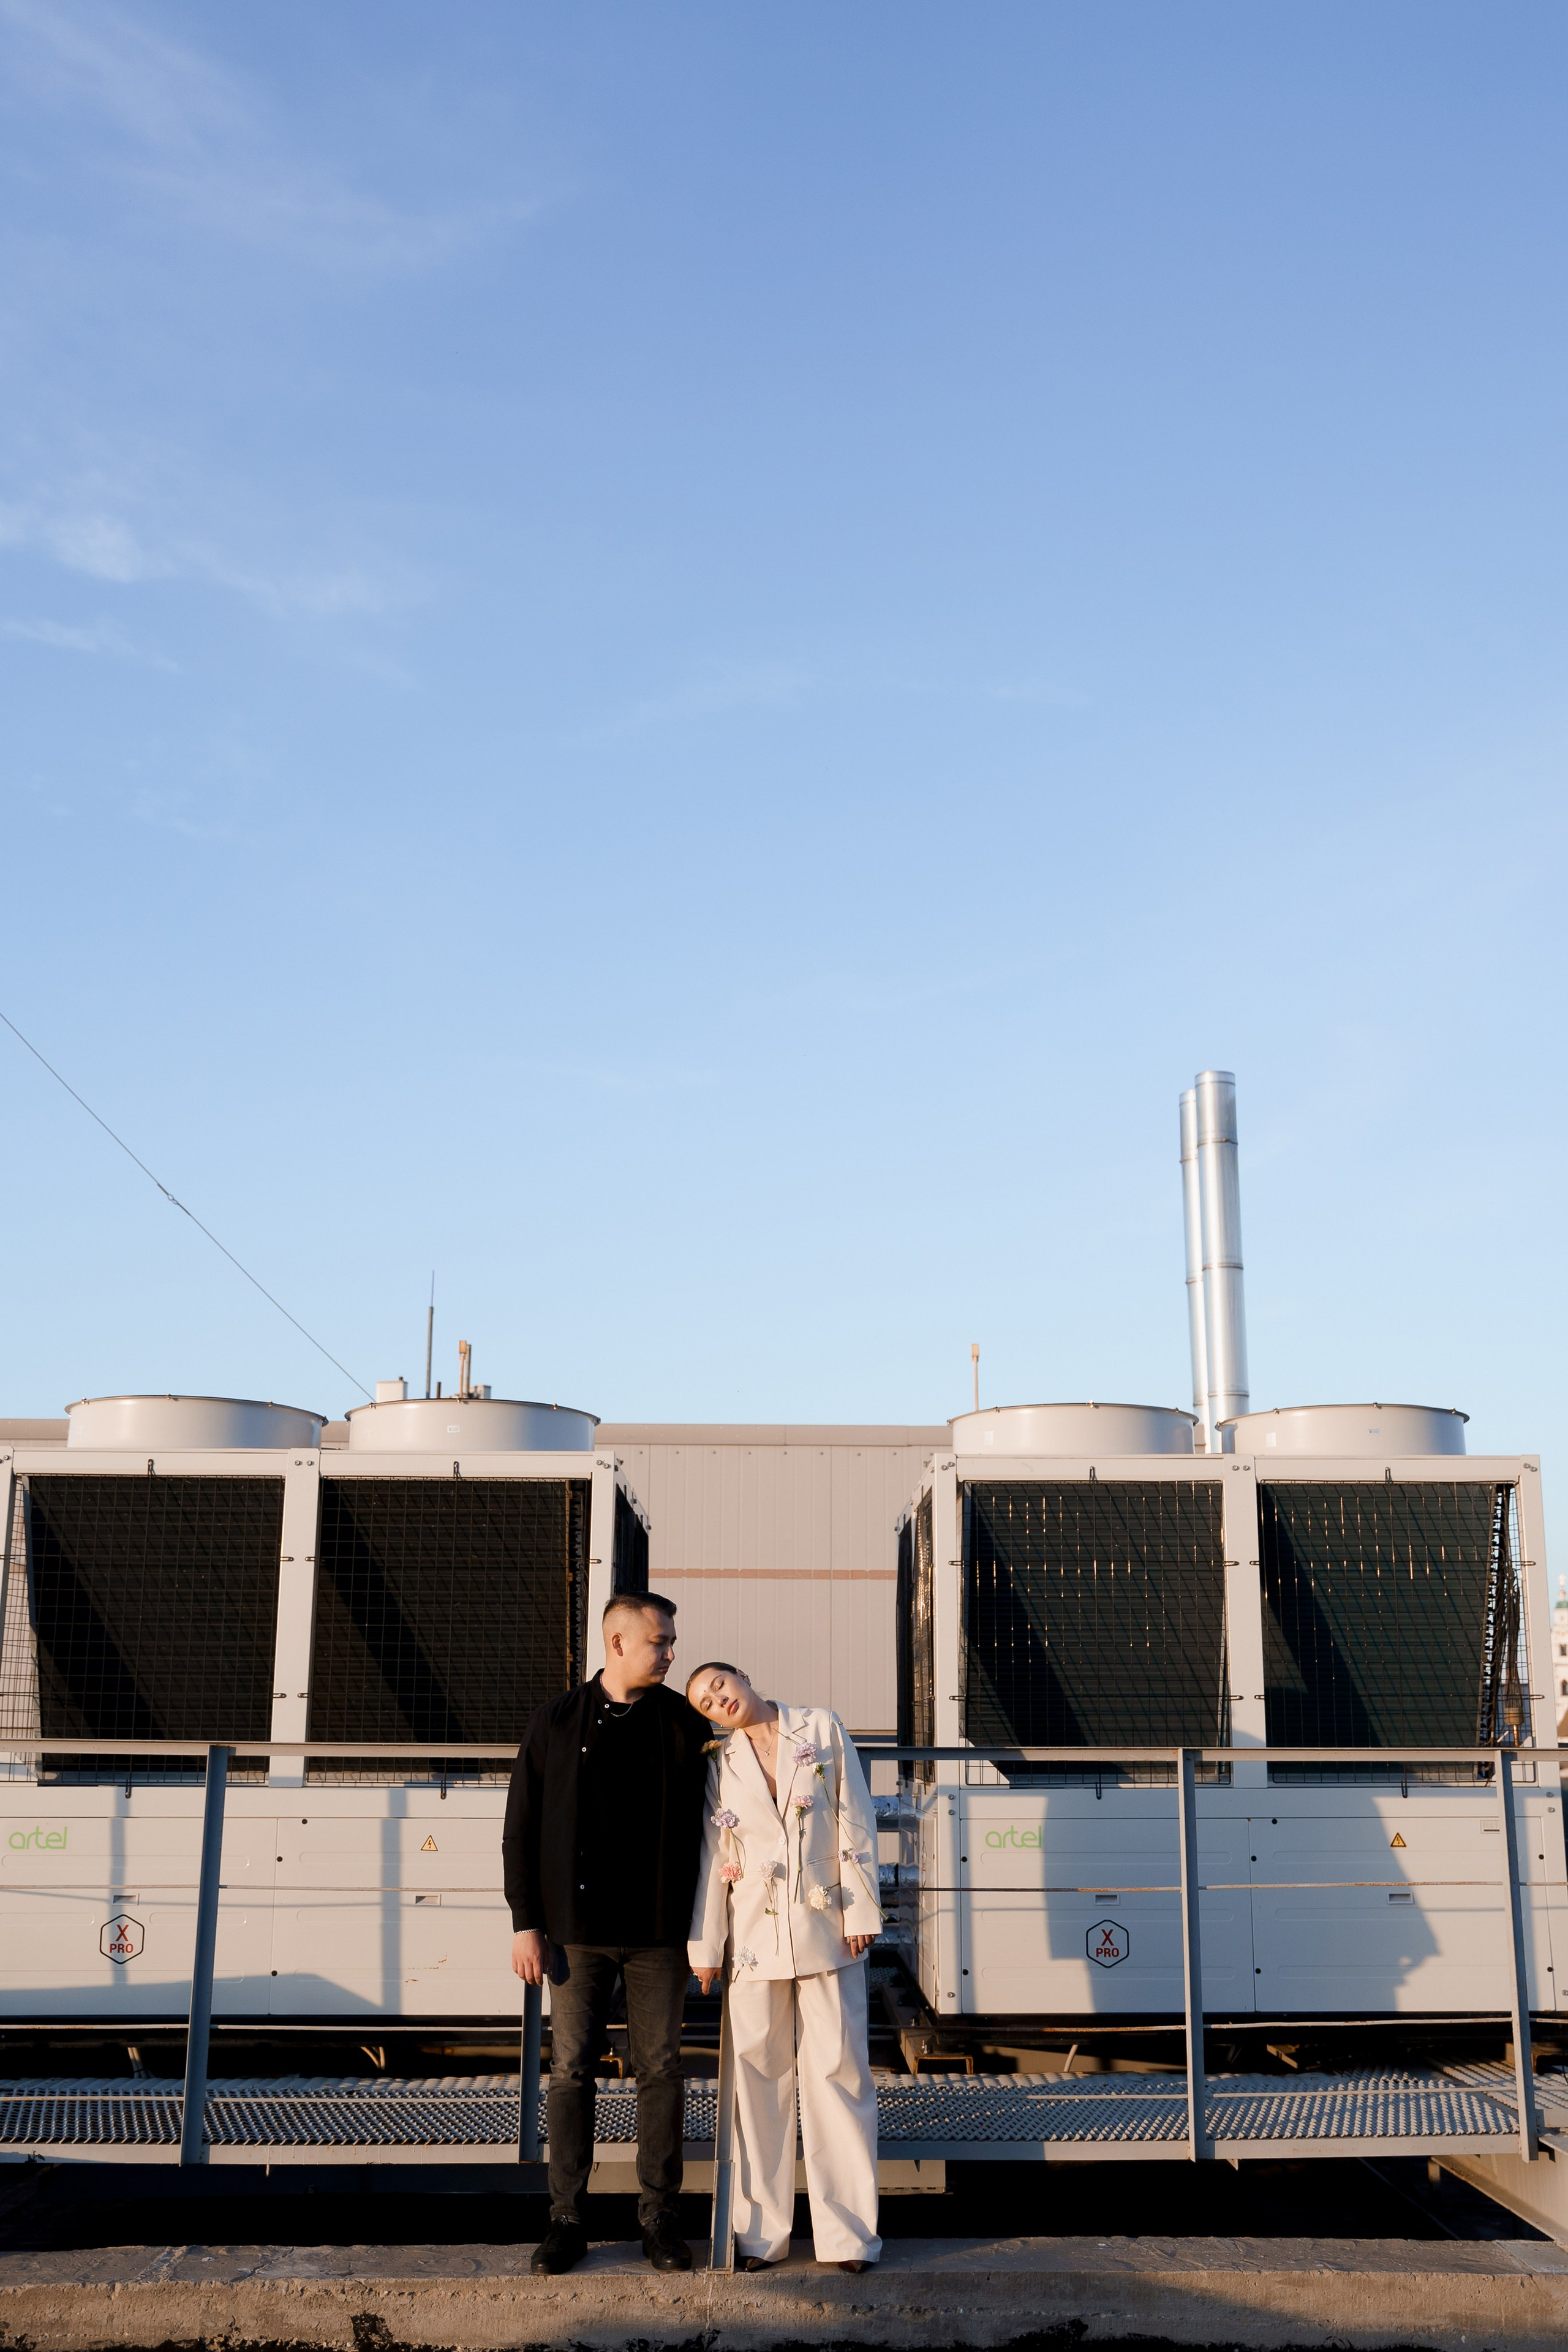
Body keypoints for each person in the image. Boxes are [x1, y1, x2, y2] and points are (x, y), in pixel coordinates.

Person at [504, 1592, 709, 2278]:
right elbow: (521, 1829)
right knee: (570, 2073)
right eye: (661, 1641)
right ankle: (566, 2221)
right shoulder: (557, 1720)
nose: (672, 1653)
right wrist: (525, 1923)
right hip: (573, 1934)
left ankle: (659, 2219)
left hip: (659, 1934)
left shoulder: (685, 1722)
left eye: (673, 1641)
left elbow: (726, 1817)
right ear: (617, 1643)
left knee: (662, 2072)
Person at [686, 1660, 883, 2273]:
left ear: (742, 1677)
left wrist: (860, 1912)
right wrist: (704, 1947)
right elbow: (713, 1855)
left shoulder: (820, 1728)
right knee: (757, 2085)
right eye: (704, 1703)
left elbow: (854, 1816)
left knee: (840, 2077)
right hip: (751, 1939)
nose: (717, 1701)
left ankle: (849, 2239)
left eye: (719, 1686)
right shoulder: (720, 1763)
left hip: (828, 1927)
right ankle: (758, 2238)